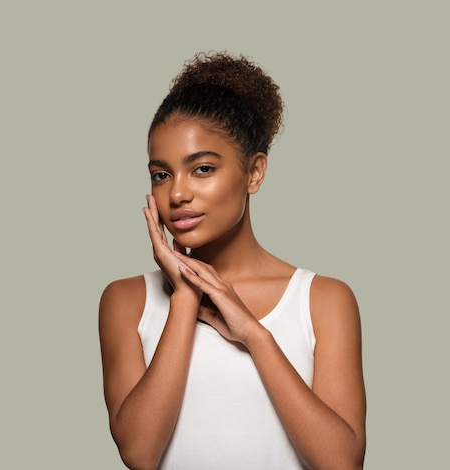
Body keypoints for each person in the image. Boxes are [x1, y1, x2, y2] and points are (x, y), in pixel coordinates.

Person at [98, 51, 366, 470]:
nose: (177, 194)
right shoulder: (126, 299)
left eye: (202, 169)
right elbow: (139, 453)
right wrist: (186, 293)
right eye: (161, 174)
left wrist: (256, 337)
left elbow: (343, 463)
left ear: (254, 172)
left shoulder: (323, 299)